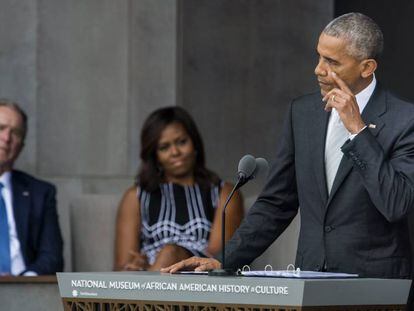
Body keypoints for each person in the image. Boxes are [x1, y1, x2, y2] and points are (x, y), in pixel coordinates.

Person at [162, 12, 414, 287]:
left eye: (331, 62)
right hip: (311, 280)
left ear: (366, 67)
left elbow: (396, 204)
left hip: (377, 286)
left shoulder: (405, 120)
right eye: (319, 56)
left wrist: (358, 130)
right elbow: (276, 202)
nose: (318, 69)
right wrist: (225, 260)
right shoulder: (302, 113)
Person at [114, 106, 244, 271]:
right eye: (164, 147)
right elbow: (122, 266)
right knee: (166, 254)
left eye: (181, 142)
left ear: (195, 143)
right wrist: (138, 266)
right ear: (155, 156)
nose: (175, 152)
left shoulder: (223, 193)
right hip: (149, 274)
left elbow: (220, 260)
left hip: (200, 280)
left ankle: (149, 292)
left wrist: (171, 258)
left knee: (170, 252)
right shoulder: (137, 196)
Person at [0, 99, 63, 275]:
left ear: (21, 146)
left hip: (24, 291)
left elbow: (52, 258)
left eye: (16, 133)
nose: (6, 138)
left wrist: (25, 285)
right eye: (1, 128)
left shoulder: (41, 193)